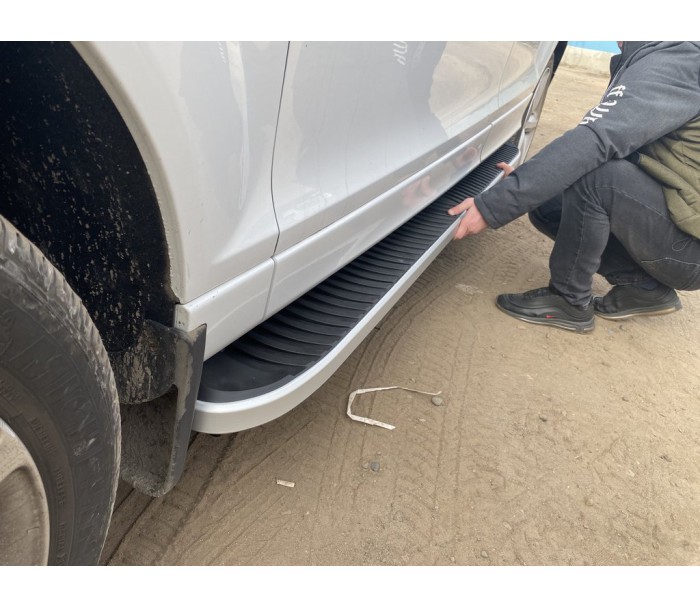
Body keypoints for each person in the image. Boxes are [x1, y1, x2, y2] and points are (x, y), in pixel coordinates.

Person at [447, 41, 700, 333]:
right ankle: (642, 287)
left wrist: (495, 204)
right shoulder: (657, 53)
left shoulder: (678, 60)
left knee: (598, 179)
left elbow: (596, 141)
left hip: (689, 251)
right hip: (678, 223)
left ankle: (569, 301)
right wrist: (534, 180)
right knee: (550, 202)